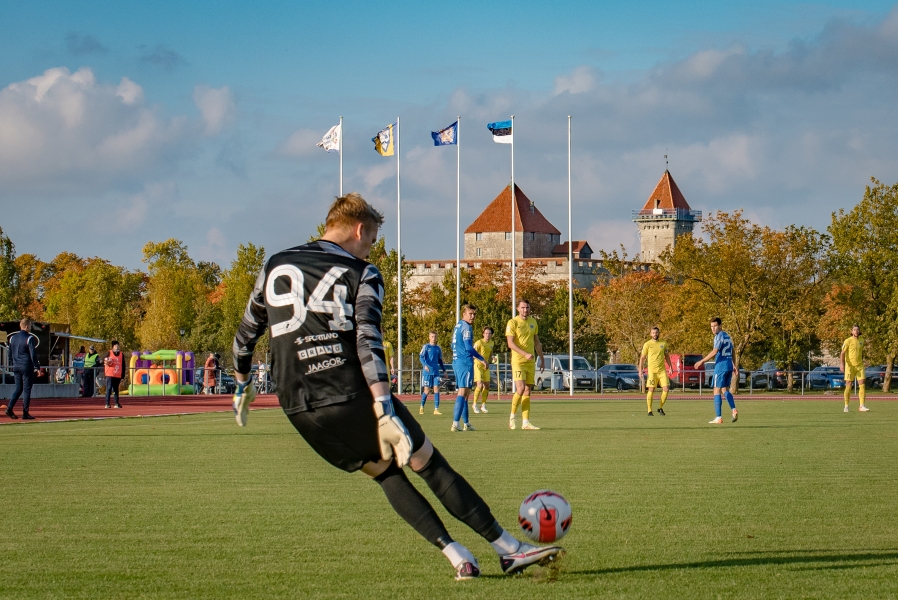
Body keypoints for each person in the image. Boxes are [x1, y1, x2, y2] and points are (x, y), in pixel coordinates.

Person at [230, 193, 561, 581]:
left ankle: (458, 557)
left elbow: (245, 334)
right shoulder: (362, 272)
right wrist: (384, 408)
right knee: (428, 463)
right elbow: (367, 339)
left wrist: (241, 383)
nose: (370, 250)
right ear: (358, 229)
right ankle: (508, 549)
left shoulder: (276, 264)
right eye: (370, 241)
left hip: (299, 407)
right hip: (350, 392)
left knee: (385, 474)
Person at [505, 299, 545, 430]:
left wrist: (542, 359)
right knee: (520, 389)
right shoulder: (513, 323)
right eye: (522, 307)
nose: (525, 310)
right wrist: (524, 354)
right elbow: (510, 343)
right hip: (518, 361)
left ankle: (526, 422)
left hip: (530, 362)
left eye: (527, 308)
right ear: (517, 308)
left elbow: (537, 342)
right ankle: (512, 415)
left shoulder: (533, 322)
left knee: (528, 391)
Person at [694, 317, 738, 424]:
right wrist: (734, 365)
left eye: (715, 326)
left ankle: (718, 417)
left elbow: (715, 351)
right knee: (725, 390)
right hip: (728, 366)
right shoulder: (728, 336)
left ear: (720, 326)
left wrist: (702, 361)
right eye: (711, 327)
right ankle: (733, 410)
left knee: (716, 390)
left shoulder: (719, 337)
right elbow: (732, 351)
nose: (713, 329)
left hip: (721, 366)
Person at [450, 304, 486, 432]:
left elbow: (452, 344)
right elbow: (469, 348)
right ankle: (455, 423)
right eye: (470, 314)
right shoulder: (466, 327)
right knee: (462, 392)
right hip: (464, 362)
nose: (473, 316)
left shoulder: (458, 325)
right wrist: (482, 359)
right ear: (463, 314)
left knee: (465, 394)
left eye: (474, 314)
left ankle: (466, 423)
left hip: (457, 362)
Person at [5, 318, 40, 420]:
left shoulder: (12, 338)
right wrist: (36, 367)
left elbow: (9, 353)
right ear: (27, 326)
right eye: (30, 326)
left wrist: (12, 362)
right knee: (27, 390)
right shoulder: (29, 338)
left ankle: (10, 408)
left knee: (18, 388)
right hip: (26, 366)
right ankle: (25, 413)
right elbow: (33, 353)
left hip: (16, 366)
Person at [638, 326, 673, 416]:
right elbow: (642, 358)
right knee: (651, 389)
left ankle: (660, 407)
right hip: (652, 372)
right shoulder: (647, 344)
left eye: (656, 332)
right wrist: (640, 369)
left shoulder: (663, 343)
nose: (655, 334)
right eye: (653, 333)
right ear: (650, 334)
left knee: (666, 388)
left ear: (659, 333)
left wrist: (670, 367)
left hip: (662, 371)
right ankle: (649, 410)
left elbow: (667, 356)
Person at [840, 324, 869, 412]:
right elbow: (842, 353)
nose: (856, 331)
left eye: (857, 329)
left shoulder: (862, 340)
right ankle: (846, 406)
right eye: (854, 329)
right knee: (849, 385)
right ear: (851, 331)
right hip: (850, 366)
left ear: (859, 331)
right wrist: (842, 364)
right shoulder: (848, 341)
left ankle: (862, 405)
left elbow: (860, 352)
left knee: (862, 384)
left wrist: (864, 361)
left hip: (859, 365)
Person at [419, 331, 446, 415]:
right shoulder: (426, 347)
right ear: (429, 337)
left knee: (436, 389)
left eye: (435, 337)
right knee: (426, 390)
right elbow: (421, 357)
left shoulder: (438, 348)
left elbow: (440, 361)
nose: (434, 338)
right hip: (427, 372)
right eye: (432, 336)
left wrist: (444, 370)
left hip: (436, 372)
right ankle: (421, 407)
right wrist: (425, 365)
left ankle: (436, 409)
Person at [472, 327, 494, 414]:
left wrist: (492, 358)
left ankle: (483, 405)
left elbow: (490, 352)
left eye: (489, 333)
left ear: (491, 335)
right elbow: (473, 354)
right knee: (480, 385)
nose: (487, 335)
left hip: (486, 366)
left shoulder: (492, 343)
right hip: (478, 365)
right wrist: (482, 361)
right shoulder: (479, 343)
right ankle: (474, 404)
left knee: (487, 385)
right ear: (483, 334)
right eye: (486, 333)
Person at [103, 341, 124, 409]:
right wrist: (106, 361)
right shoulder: (109, 353)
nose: (117, 347)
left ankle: (116, 403)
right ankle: (107, 403)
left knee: (116, 389)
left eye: (118, 346)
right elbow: (104, 360)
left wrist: (122, 374)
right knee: (109, 388)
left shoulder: (121, 354)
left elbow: (123, 365)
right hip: (110, 374)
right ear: (113, 347)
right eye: (116, 346)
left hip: (117, 374)